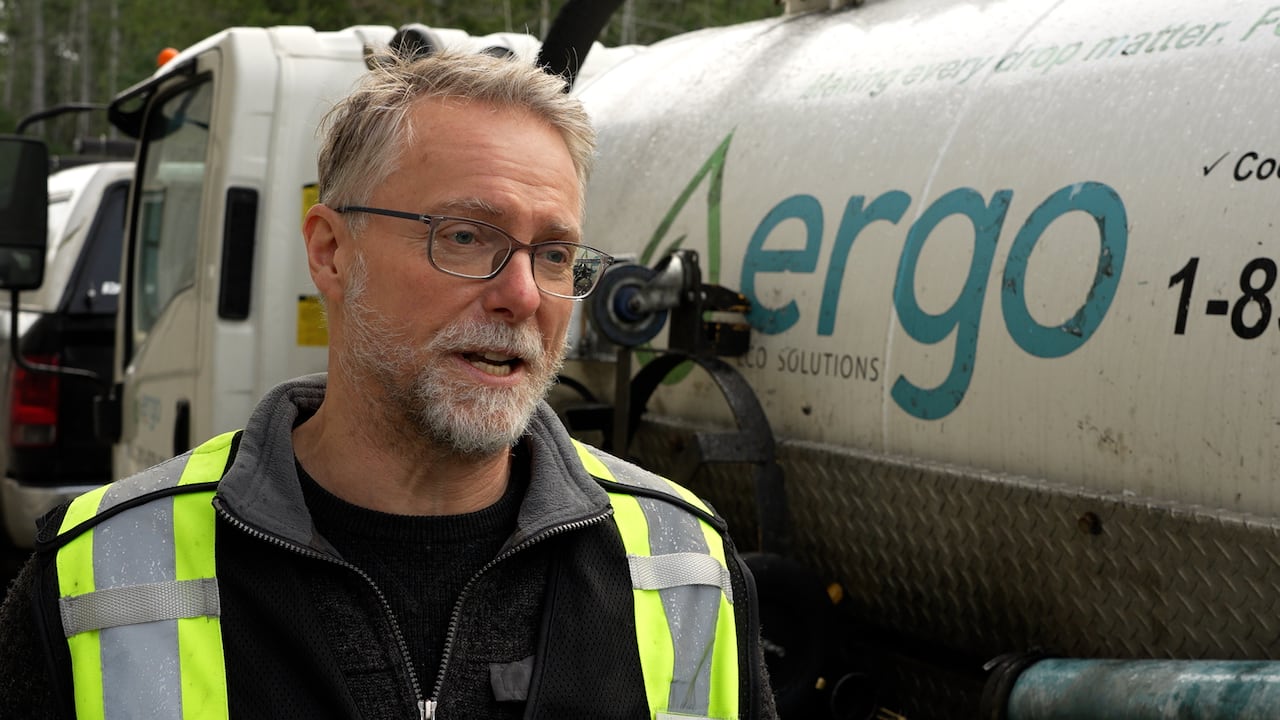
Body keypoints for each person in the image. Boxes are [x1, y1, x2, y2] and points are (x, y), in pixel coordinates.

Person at [0, 48, 777, 719]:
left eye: (553, 253)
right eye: (467, 236)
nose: (525, 295)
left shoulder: (687, 566)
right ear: (332, 253)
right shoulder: (97, 577)